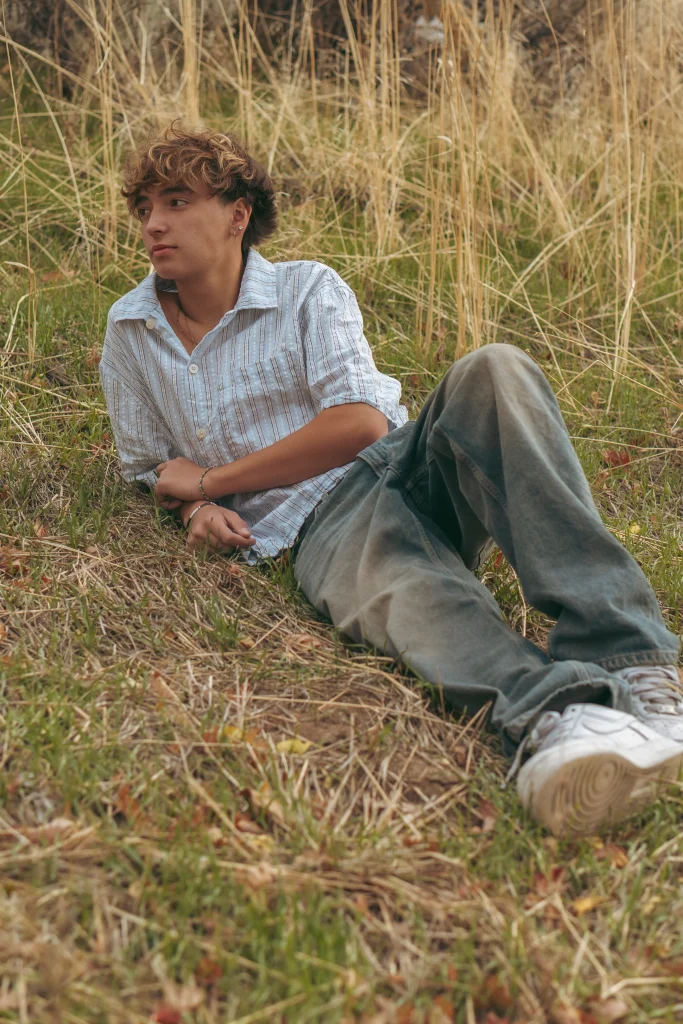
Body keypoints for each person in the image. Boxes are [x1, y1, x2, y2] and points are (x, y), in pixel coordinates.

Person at [100, 125, 683, 837]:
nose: (154, 223)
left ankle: (638, 662)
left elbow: (359, 426)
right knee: (412, 596)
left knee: (493, 369)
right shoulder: (130, 329)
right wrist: (193, 507)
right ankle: (565, 719)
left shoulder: (308, 289)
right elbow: (147, 466)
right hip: (318, 525)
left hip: (409, 464)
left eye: (177, 200)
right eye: (146, 207)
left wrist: (212, 480)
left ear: (236, 214)